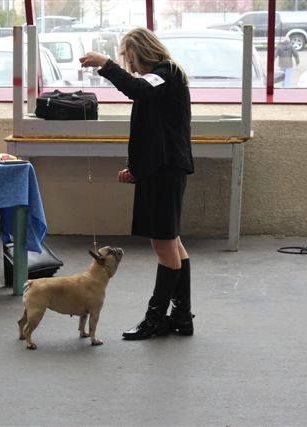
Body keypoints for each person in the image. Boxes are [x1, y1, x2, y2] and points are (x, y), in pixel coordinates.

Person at [79, 27, 195, 340]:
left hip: (166, 171)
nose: (129, 66)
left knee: (163, 243)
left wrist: (105, 64)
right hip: (159, 170)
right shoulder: (160, 78)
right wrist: (137, 168)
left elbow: (136, 89)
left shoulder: (165, 74)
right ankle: (181, 316)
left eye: (130, 58)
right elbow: (153, 130)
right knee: (172, 242)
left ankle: (155, 319)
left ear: (142, 52)